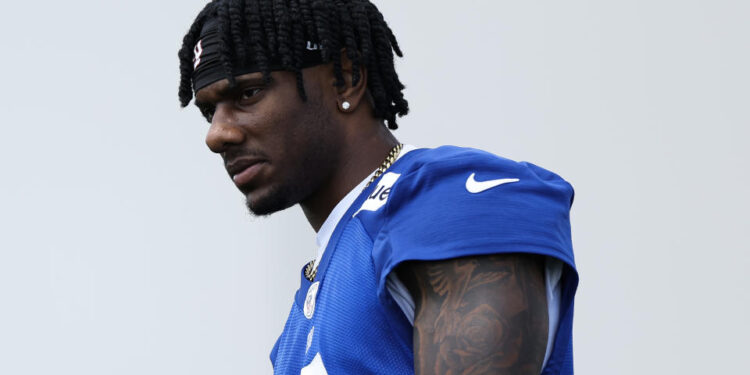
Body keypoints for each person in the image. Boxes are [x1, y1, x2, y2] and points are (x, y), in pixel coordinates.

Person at [177, 1, 578, 374]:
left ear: (345, 79)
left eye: (247, 93)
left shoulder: (446, 199)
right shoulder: (307, 308)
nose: (217, 134)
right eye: (210, 111)